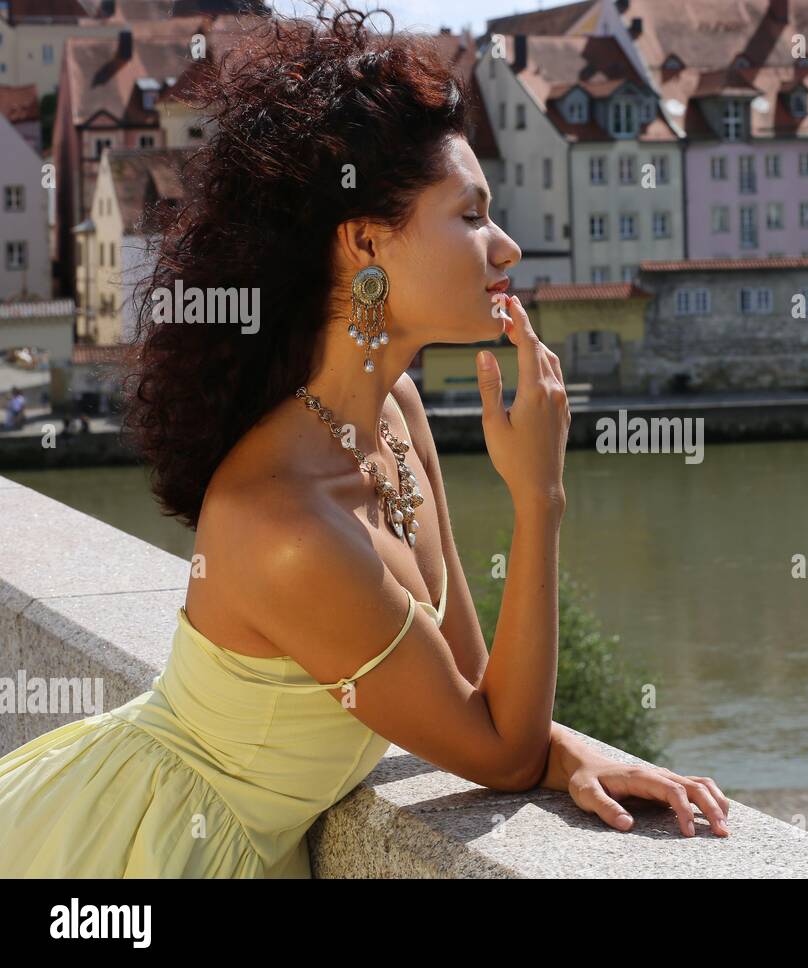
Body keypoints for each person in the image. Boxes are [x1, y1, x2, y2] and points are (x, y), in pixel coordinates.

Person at [0, 2, 728, 879]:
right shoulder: (288, 523)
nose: (508, 248)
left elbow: (467, 685)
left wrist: (570, 751)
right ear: (365, 243)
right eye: (470, 217)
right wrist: (538, 499)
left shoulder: (396, 412)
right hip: (146, 850)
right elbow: (495, 750)